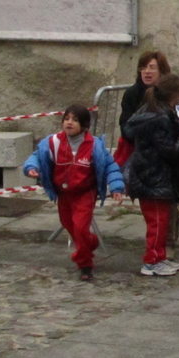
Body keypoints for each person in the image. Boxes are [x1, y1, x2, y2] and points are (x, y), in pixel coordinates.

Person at [24, 105, 124, 281]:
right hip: (63, 194)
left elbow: (111, 167)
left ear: (85, 125)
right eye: (67, 119)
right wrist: (31, 167)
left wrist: (116, 187)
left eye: (75, 120)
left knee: (79, 227)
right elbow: (37, 156)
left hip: (85, 193)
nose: (69, 123)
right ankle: (90, 242)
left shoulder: (95, 146)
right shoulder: (52, 142)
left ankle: (85, 265)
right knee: (70, 225)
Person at [123, 74, 179, 276]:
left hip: (153, 175)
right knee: (158, 222)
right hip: (152, 177)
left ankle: (159, 257)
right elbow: (168, 149)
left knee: (162, 219)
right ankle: (151, 261)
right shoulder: (159, 117)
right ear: (173, 94)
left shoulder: (160, 112)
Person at [115, 51, 172, 168]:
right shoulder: (132, 93)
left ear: (161, 71)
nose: (147, 72)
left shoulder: (169, 93)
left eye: (152, 67)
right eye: (143, 67)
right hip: (136, 150)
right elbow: (125, 125)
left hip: (163, 152)